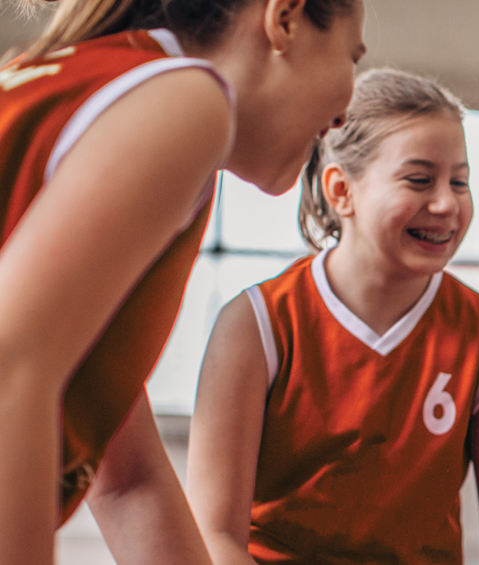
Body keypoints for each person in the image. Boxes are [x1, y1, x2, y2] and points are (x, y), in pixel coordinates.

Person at [0, 0, 364, 562]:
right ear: (285, 18)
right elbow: (10, 363)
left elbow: (128, 480)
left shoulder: (75, 82)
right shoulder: (186, 99)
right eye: (352, 57)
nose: (344, 114)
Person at [185, 68, 479, 565]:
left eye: (459, 182)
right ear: (340, 190)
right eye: (419, 180)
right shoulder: (255, 325)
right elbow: (214, 535)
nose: (446, 203)